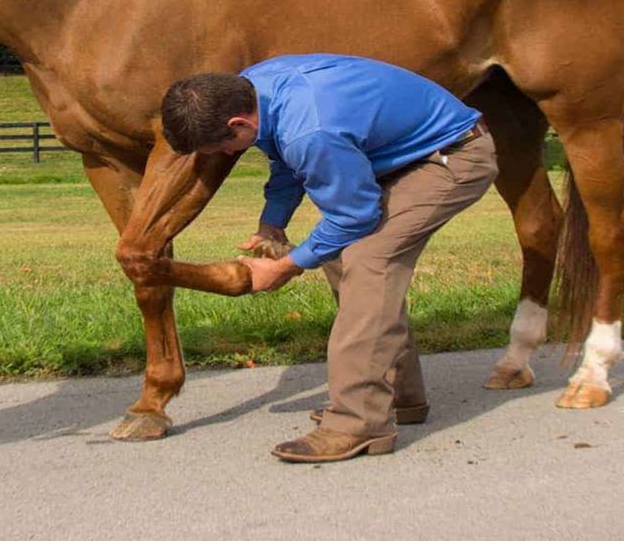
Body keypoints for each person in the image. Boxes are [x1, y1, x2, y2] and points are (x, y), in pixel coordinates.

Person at [161, 54, 497, 463]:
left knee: (369, 259)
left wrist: (284, 267)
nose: (227, 156)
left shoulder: (312, 128)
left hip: (453, 157)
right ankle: (397, 398)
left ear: (237, 124)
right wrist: (273, 223)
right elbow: (284, 157)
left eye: (223, 148)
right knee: (340, 255)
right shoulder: (252, 88)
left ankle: (357, 423)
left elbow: (353, 215)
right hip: (401, 155)